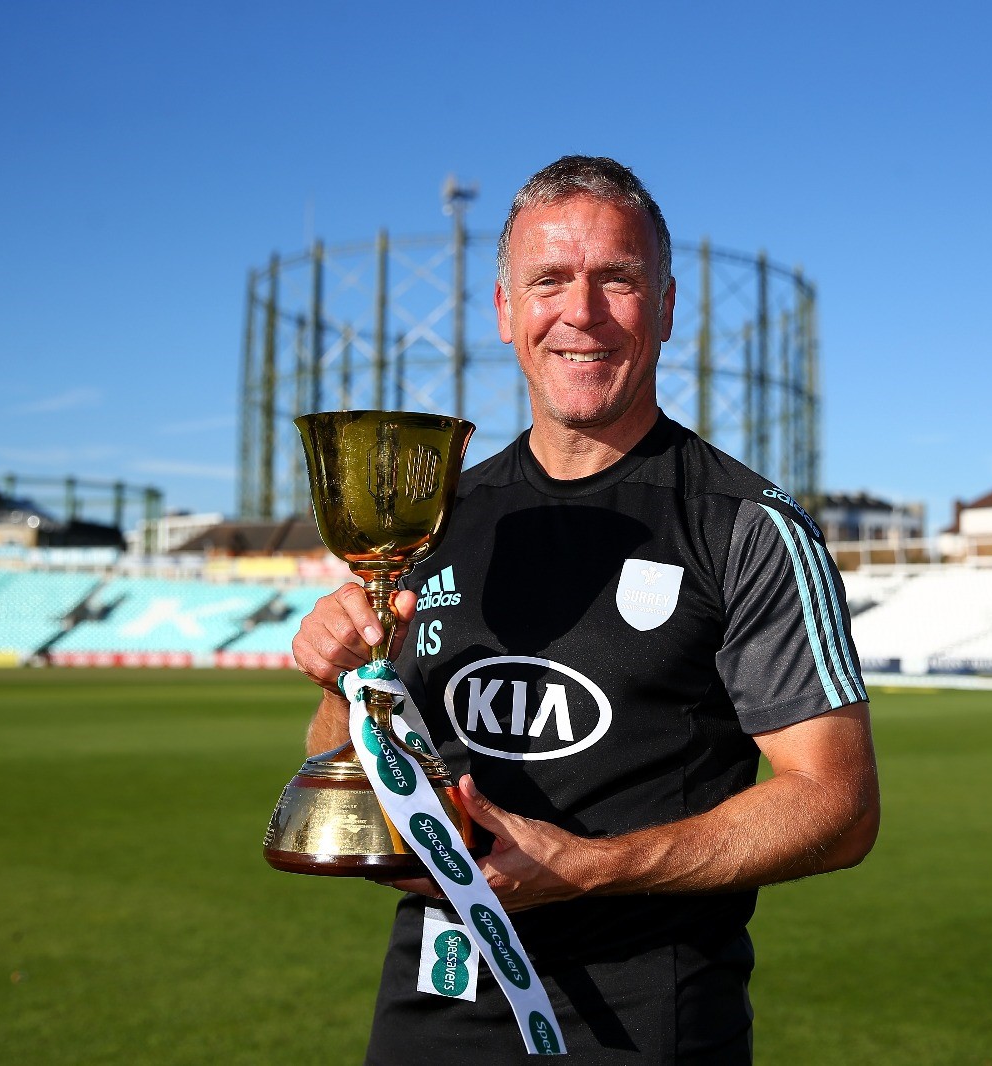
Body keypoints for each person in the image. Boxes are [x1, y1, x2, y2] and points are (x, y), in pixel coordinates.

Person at [293, 155, 879, 1064]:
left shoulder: (745, 528)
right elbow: (350, 764)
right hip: (432, 1006)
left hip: (643, 1022)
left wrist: (591, 867)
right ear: (503, 311)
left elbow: (839, 806)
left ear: (669, 306)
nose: (583, 312)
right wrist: (343, 676)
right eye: (549, 280)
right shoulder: (434, 521)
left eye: (619, 279)